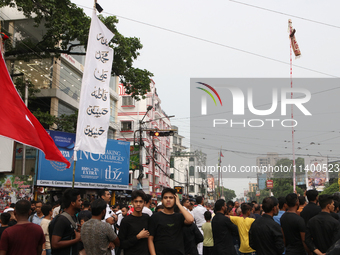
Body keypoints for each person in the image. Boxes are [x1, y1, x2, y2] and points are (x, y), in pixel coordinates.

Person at [148, 188, 194, 255]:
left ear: (175, 200)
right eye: (165, 198)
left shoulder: (179, 217)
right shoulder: (155, 217)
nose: (168, 200)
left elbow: (190, 220)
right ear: (162, 200)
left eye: (171, 197)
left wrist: (178, 204)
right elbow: (150, 239)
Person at [51, 188, 82, 255]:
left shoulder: (74, 217)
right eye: (79, 200)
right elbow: (55, 244)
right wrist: (76, 240)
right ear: (72, 203)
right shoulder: (62, 220)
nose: (81, 202)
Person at [119, 190, 150, 255]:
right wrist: (137, 237)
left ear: (144, 203)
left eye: (140, 202)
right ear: (132, 203)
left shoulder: (147, 218)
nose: (138, 204)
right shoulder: (126, 221)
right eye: (136, 201)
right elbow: (121, 244)